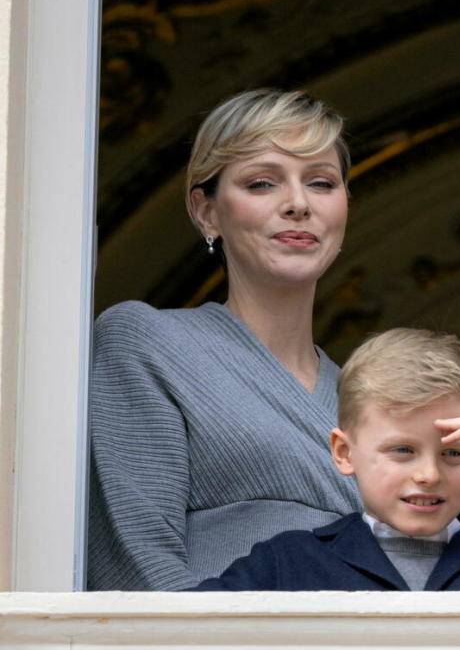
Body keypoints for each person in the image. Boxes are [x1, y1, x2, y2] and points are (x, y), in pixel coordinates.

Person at [88, 89, 361, 590]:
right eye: (262, 183)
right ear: (206, 211)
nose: (298, 204)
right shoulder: (147, 342)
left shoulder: (370, 397)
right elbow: (139, 567)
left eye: (321, 183)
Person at [194, 328, 460, 591]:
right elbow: (179, 639)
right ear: (344, 453)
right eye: (403, 451)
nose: (428, 475)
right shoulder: (287, 563)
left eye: (453, 453)